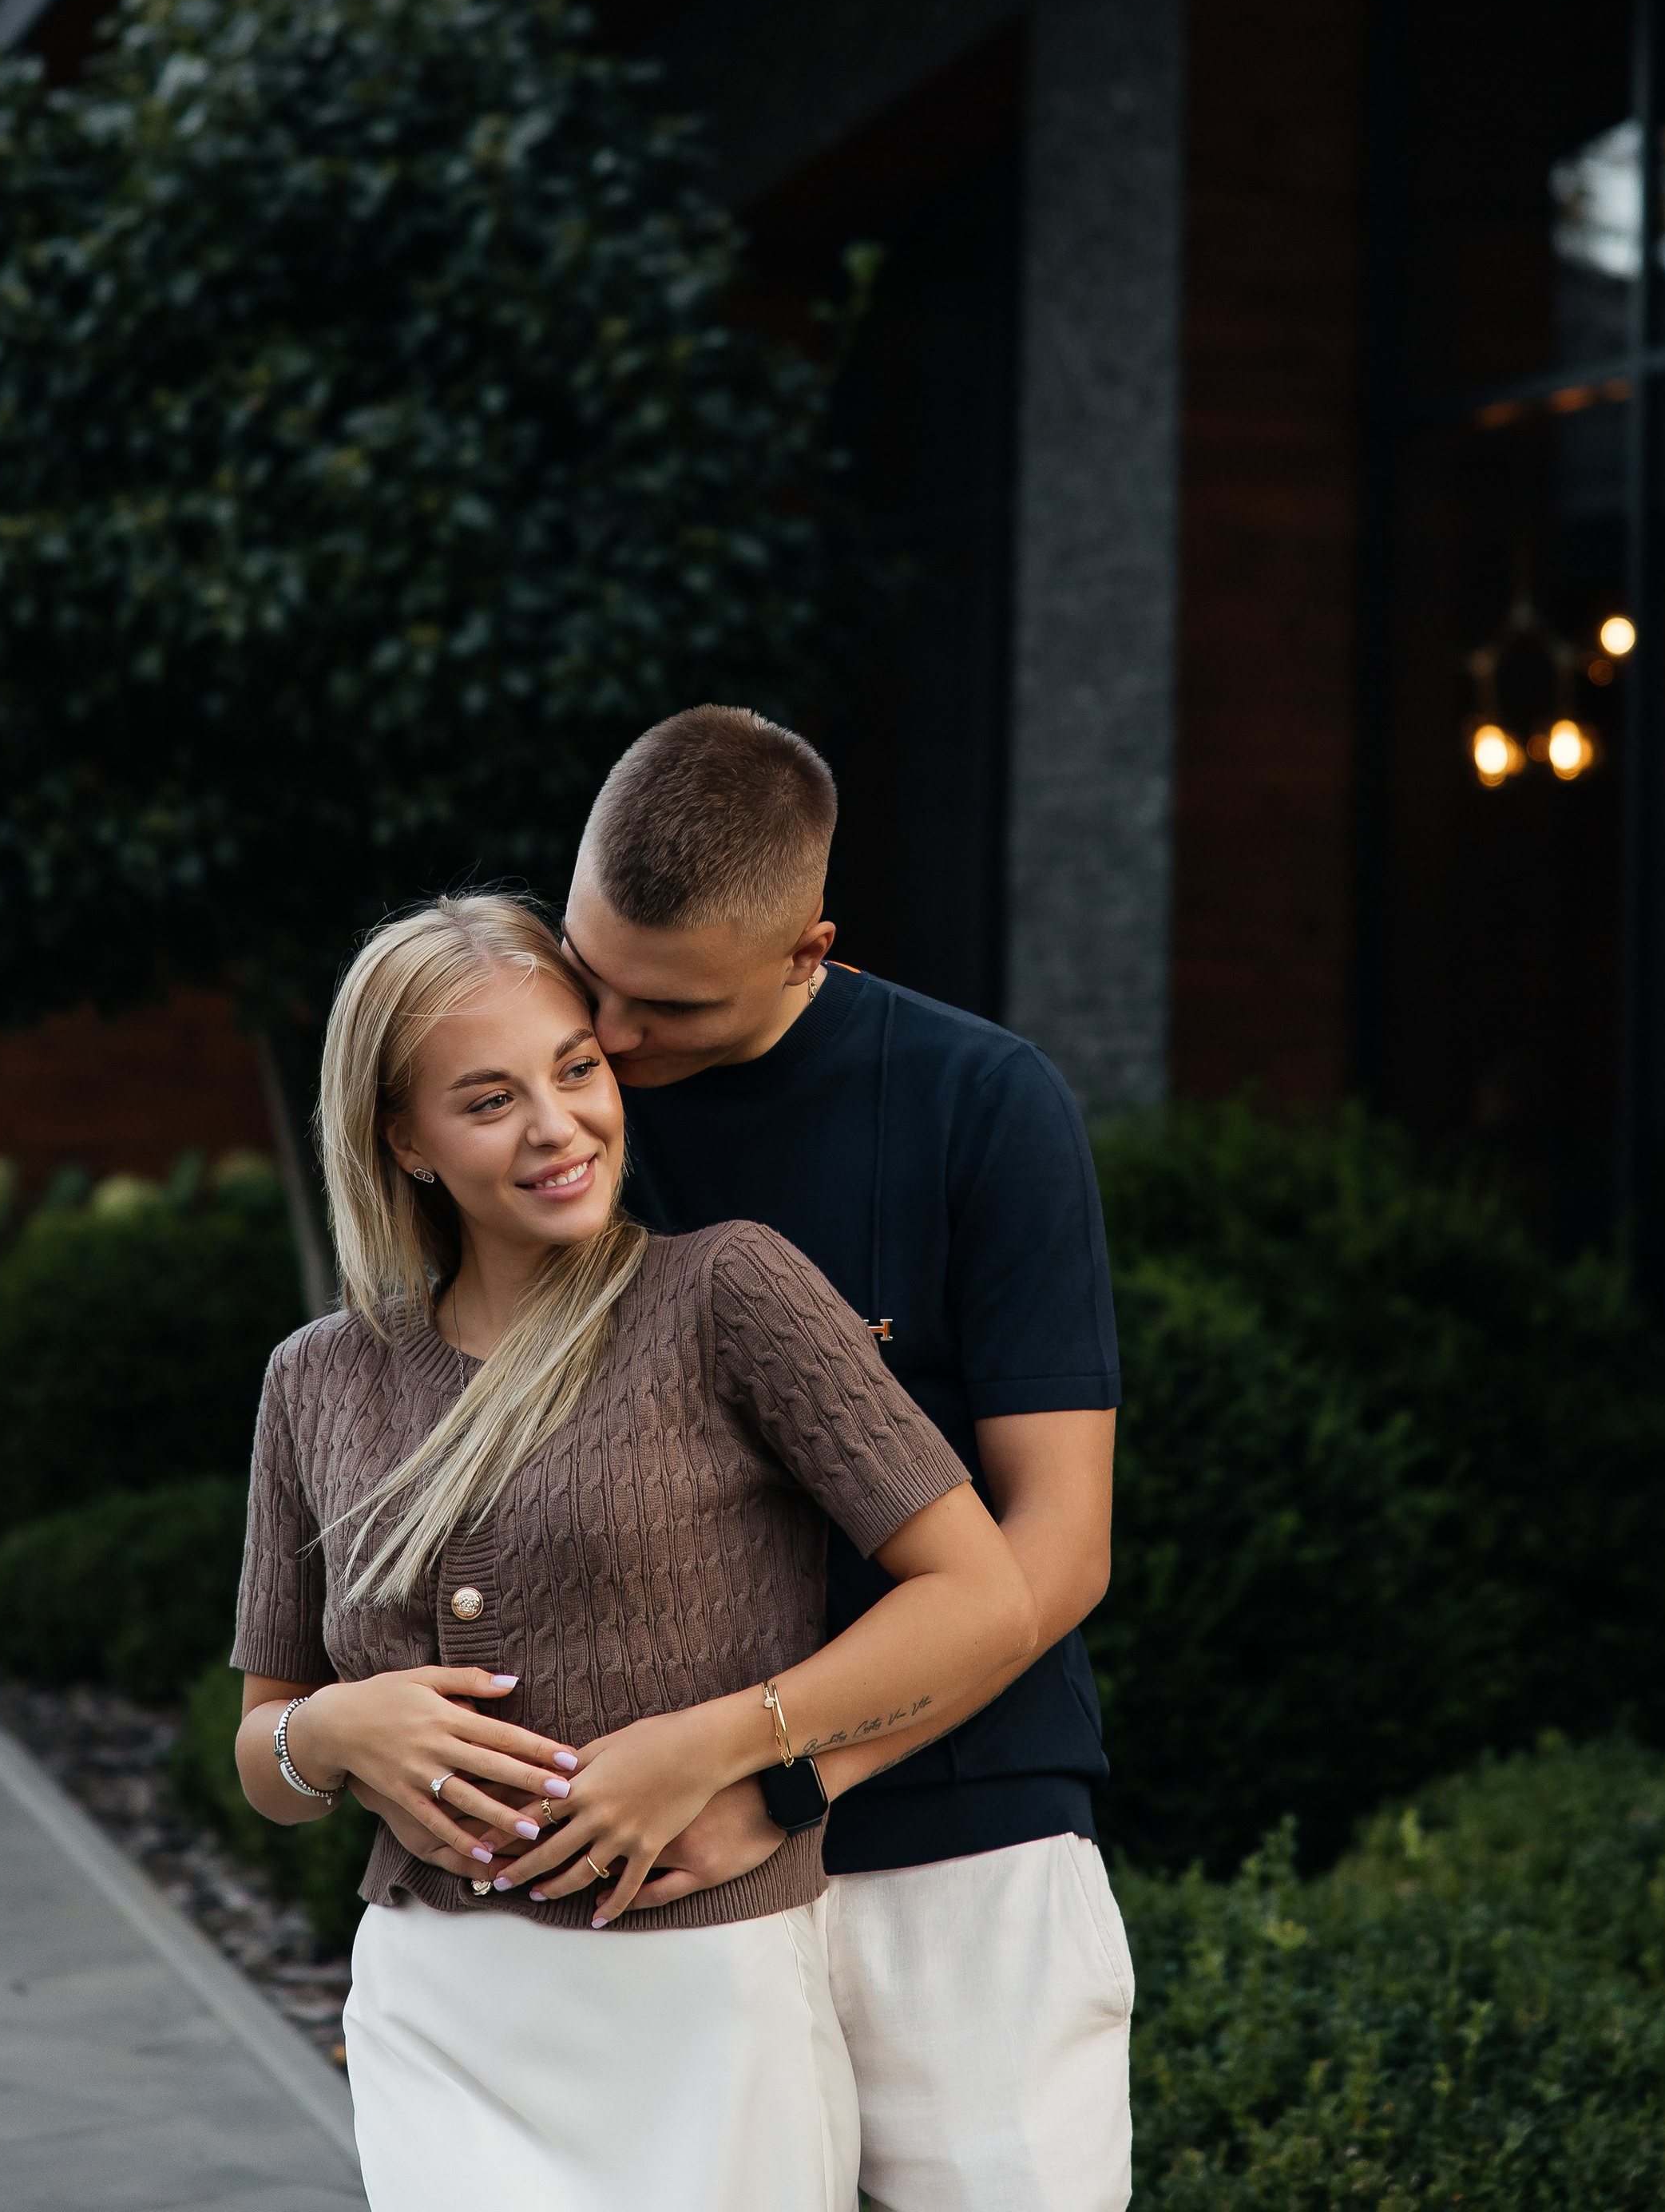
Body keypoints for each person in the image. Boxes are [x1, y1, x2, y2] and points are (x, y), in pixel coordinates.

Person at [229, 893, 1034, 2211]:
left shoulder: (730, 1294)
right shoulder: (316, 1379)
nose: (559, 1126)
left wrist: (729, 1742)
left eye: (577, 1068)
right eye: (487, 1101)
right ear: (404, 1140)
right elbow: (262, 1750)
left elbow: (982, 1597)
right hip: (440, 2004)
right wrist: (332, 1734)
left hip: (708, 1996)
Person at [560, 705, 1131, 2212]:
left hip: (963, 1845)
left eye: (667, 1008)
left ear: (811, 947)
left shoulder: (980, 1105)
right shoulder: (550, 1107)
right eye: (591, 975)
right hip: (661, 1864)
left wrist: (779, 1778)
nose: (611, 1044)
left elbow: (1060, 1548)